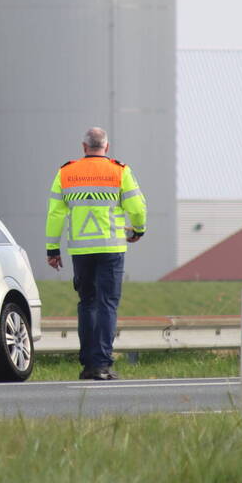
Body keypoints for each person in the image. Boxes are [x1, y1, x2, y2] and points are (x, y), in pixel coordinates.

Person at [45, 128, 146, 380]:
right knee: (107, 304)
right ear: (107, 147)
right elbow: (137, 206)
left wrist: (52, 248)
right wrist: (139, 229)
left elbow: (55, 214)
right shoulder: (120, 171)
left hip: (81, 250)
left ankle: (88, 365)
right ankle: (102, 364)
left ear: (84, 147)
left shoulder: (66, 172)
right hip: (111, 248)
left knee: (87, 303)